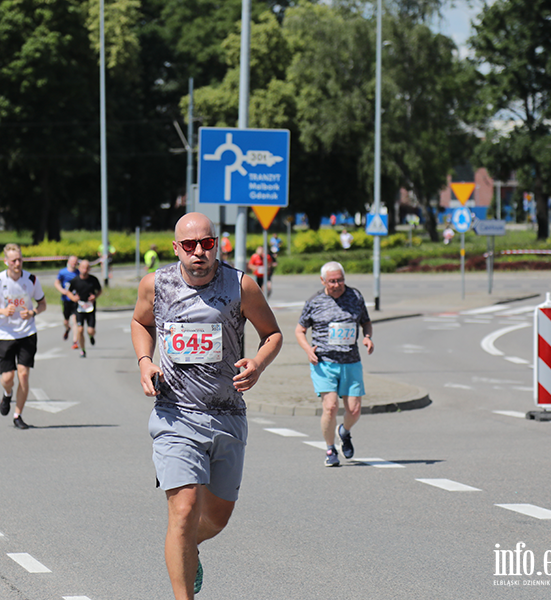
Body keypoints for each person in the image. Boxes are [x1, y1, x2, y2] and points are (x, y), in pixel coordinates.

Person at [131, 212, 283, 599]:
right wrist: (146, 361)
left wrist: (258, 364)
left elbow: (272, 334)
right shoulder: (157, 285)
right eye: (190, 245)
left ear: (218, 243)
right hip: (175, 414)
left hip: (227, 415)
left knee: (217, 517)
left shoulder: (240, 285)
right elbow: (140, 322)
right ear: (176, 248)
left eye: (207, 243)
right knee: (183, 512)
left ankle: (185, 549)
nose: (199, 252)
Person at [295, 261, 374, 467]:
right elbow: (299, 330)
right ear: (323, 281)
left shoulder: (355, 297)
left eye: (340, 280)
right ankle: (330, 450)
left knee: (354, 410)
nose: (337, 285)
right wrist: (307, 349)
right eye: (332, 281)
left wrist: (367, 337)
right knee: (330, 407)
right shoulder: (315, 302)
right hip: (324, 363)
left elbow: (366, 321)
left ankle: (344, 432)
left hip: (351, 362)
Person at [0, 243, 46, 430]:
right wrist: (2, 310)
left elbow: (43, 304)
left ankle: (18, 415)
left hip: (27, 333)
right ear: (6, 261)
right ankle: (7, 393)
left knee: (24, 374)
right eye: (14, 260)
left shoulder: (31, 280)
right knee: (8, 377)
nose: (18, 263)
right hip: (4, 334)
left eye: (20, 259)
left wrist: (32, 312)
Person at [67, 259, 102, 358]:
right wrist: (73, 298)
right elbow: (68, 292)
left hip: (90, 308)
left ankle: (91, 336)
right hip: (79, 308)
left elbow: (99, 290)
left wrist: (95, 296)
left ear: (89, 269)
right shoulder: (75, 281)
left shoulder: (93, 280)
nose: (85, 270)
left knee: (90, 330)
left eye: (87, 268)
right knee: (80, 329)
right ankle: (83, 350)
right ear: (79, 268)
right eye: (83, 268)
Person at [54, 255, 79, 345]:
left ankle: (75, 341)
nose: (74, 264)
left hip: (75, 300)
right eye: (72, 261)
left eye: (75, 262)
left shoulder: (78, 273)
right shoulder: (63, 272)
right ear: (68, 262)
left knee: (75, 320)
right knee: (66, 321)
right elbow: (56, 283)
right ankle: (67, 328)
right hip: (66, 299)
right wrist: (62, 290)